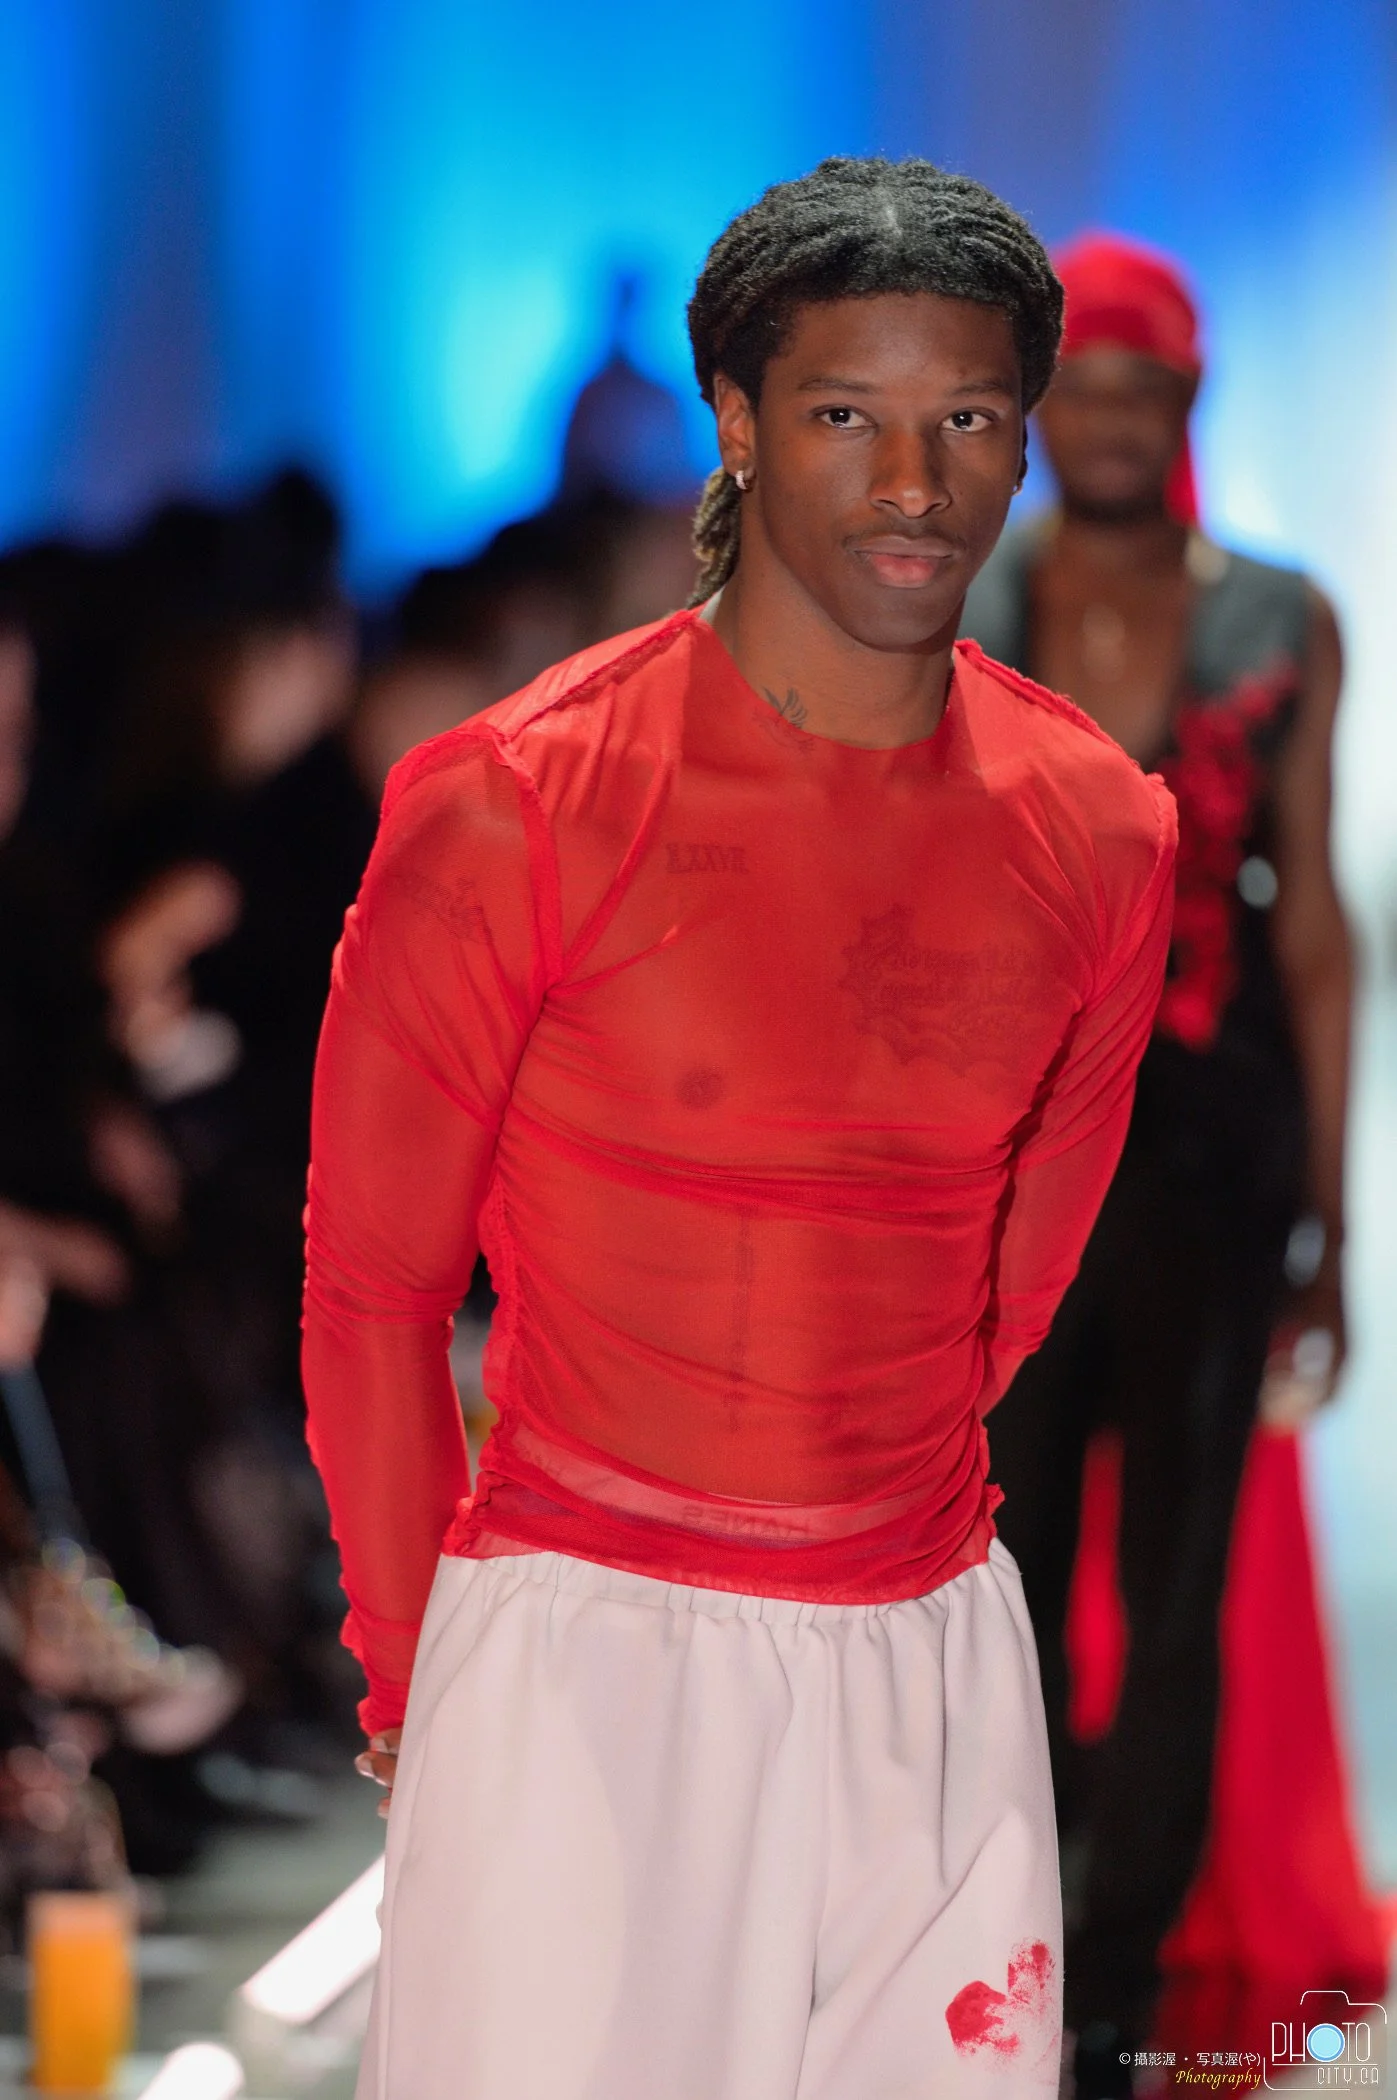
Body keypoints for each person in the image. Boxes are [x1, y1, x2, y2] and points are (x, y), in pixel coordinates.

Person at [303, 159, 1177, 2100]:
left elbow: (1011, 1276)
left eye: (962, 419)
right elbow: (370, 1286)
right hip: (578, 1657)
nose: (906, 482)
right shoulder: (513, 809)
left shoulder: (1101, 832)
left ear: (1021, 439)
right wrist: (404, 1663)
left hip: (926, 1653)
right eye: (842, 416)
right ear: (735, 424)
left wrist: (855, 1491)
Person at [960, 233, 1353, 2094]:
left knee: (1182, 1579)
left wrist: (1338, 1225)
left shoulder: (1281, 617)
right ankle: (1012, 1938)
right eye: (1085, 388)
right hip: (1003, 1153)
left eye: (1148, 389)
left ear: (1189, 406)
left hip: (1213, 1158)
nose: (1114, 422)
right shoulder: (962, 596)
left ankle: (1118, 1989)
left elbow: (1317, 926)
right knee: (1000, 1570)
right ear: (1045, 411)